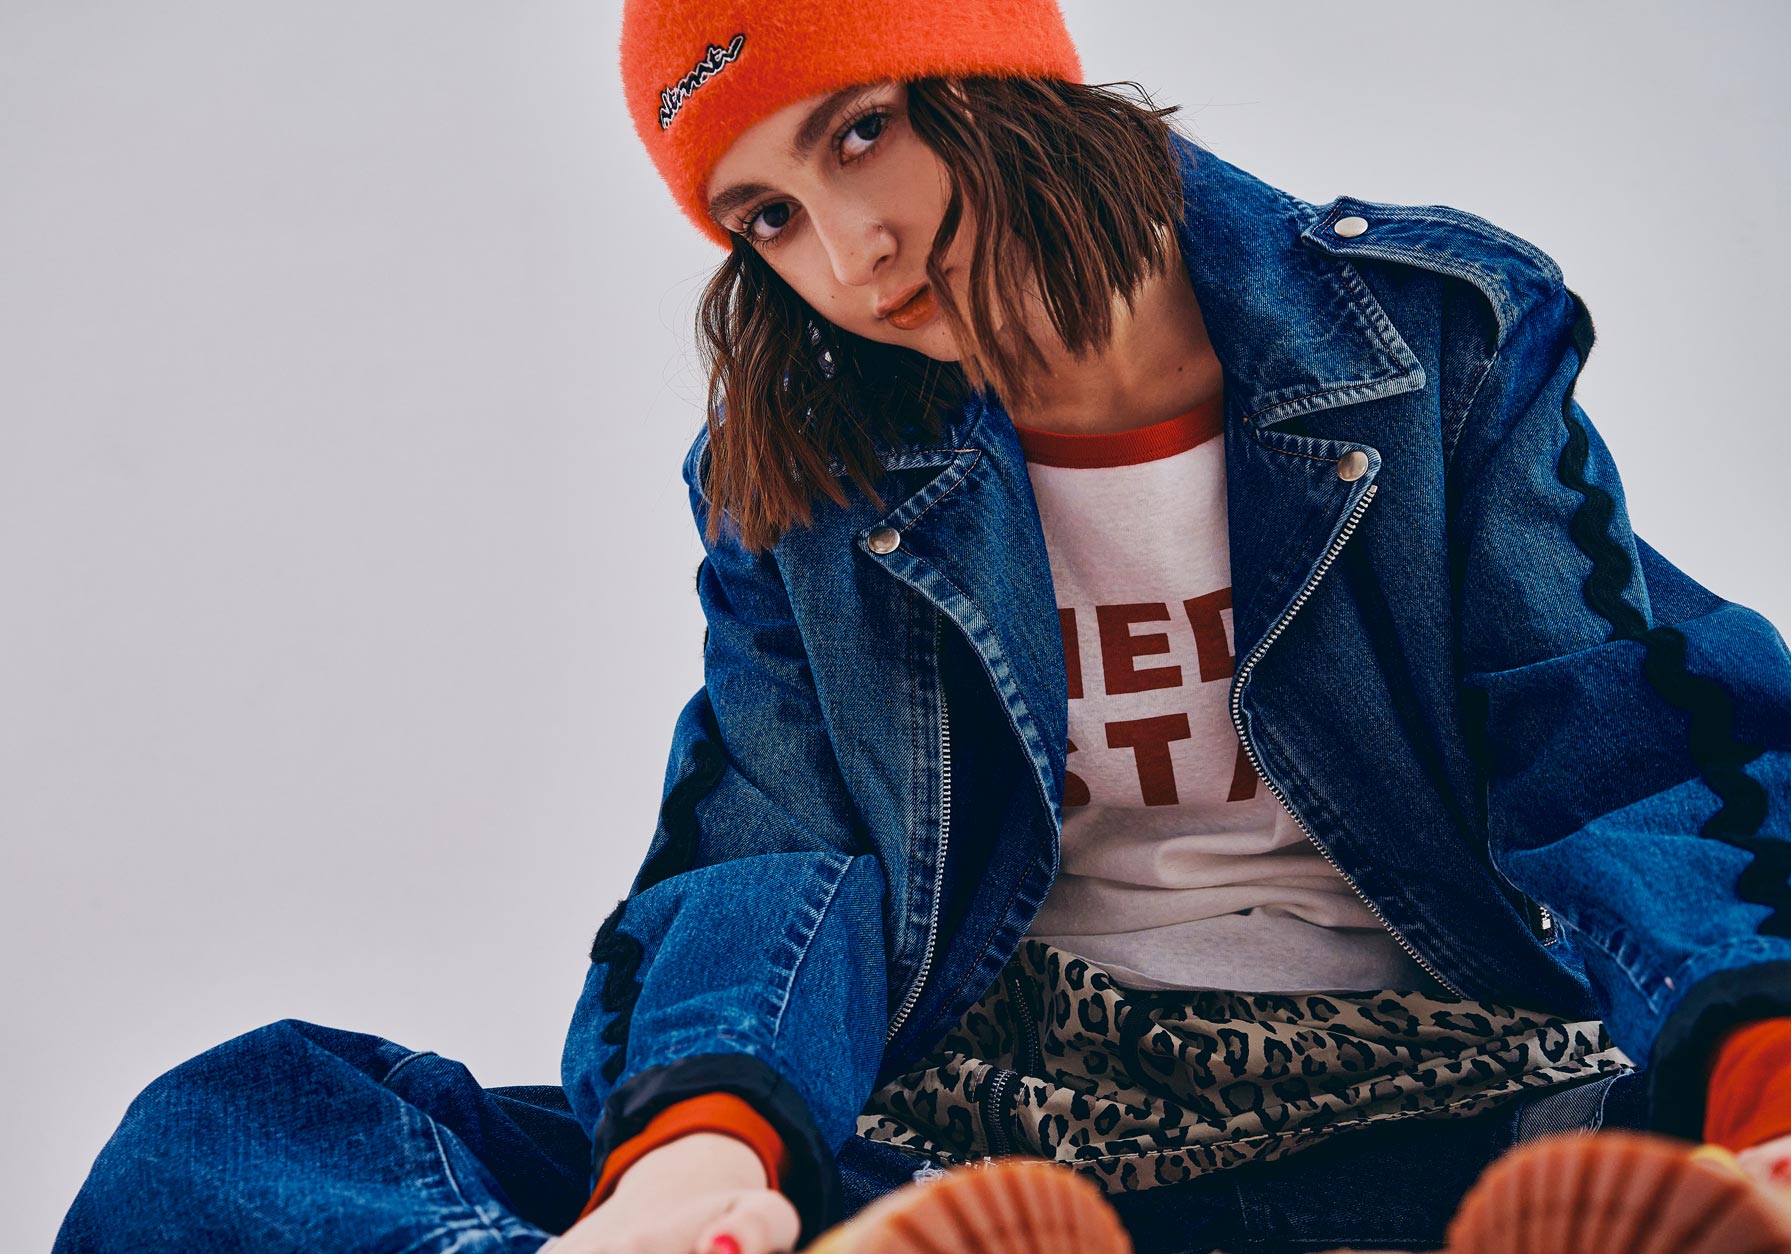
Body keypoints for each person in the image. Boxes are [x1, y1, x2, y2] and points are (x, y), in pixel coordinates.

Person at [51, 2, 1791, 1252]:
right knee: (230, 1130)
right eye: (767, 218)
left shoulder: (1427, 350)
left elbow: (1624, 747)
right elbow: (777, 846)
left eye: (860, 128)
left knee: (1658, 1153)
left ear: (999, 61)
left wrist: (1765, 1079)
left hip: (1462, 1105)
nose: (851, 255)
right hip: (1003, 1151)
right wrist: (694, 1160)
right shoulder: (809, 481)